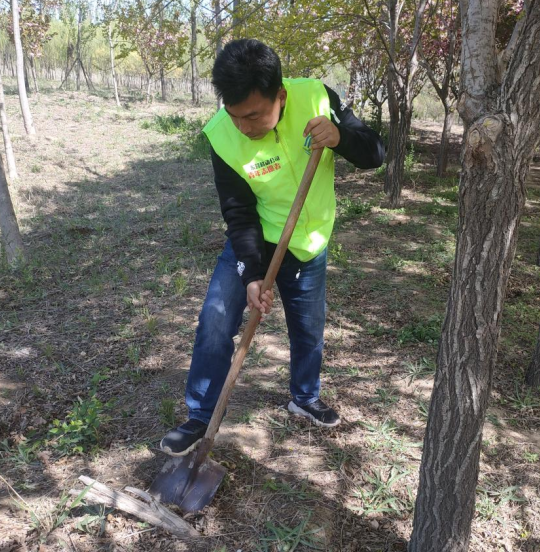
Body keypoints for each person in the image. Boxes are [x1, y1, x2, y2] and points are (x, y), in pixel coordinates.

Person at [160, 39, 385, 456]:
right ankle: (200, 416)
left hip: (308, 241)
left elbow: (375, 152)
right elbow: (238, 212)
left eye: (253, 116)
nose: (244, 127)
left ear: (280, 95)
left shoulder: (317, 97)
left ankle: (304, 397)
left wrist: (340, 136)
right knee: (215, 321)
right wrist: (251, 272)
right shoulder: (221, 136)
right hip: (256, 239)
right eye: (235, 116)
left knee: (308, 329)